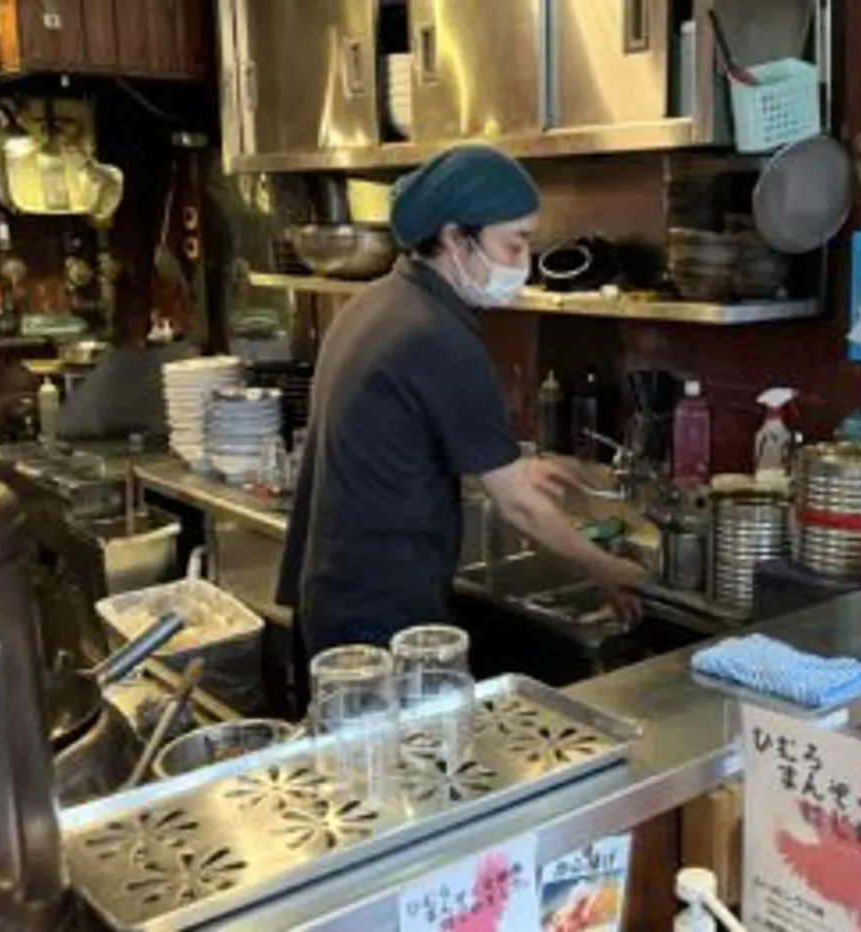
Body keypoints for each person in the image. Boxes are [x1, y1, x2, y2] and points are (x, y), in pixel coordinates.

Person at [276, 144, 648, 663]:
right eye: (514, 244)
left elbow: (403, 440)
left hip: (331, 597)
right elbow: (519, 505)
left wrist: (511, 469)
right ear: (455, 238)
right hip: (382, 616)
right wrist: (607, 567)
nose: (523, 264)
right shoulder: (439, 338)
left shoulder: (374, 303)